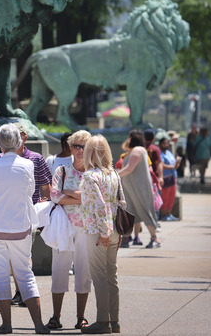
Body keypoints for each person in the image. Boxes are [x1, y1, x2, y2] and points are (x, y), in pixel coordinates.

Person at [0, 124, 49, 334]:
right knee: (25, 274)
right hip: (20, 226)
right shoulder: (28, 164)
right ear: (19, 141)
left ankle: (7, 325)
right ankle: (38, 324)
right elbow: (30, 191)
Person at [46, 130, 92, 331]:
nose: (80, 150)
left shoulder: (93, 173)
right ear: (70, 147)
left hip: (87, 228)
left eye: (84, 146)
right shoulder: (61, 170)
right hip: (63, 226)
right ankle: (56, 316)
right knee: (59, 270)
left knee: (83, 272)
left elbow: (94, 198)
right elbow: (54, 196)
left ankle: (81, 316)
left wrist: (68, 193)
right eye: (76, 146)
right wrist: (80, 196)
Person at [79, 135, 124, 335]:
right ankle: (114, 321)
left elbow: (99, 205)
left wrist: (104, 232)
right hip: (114, 229)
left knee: (100, 278)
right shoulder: (114, 173)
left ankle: (102, 321)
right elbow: (122, 203)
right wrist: (117, 231)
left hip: (98, 232)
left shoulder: (90, 176)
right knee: (111, 277)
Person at [117, 130, 160, 249]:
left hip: (138, 189)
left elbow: (129, 169)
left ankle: (154, 238)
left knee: (144, 212)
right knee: (130, 212)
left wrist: (114, 175)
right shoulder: (136, 150)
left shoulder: (137, 150)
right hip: (132, 189)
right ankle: (126, 238)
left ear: (132, 138)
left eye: (129, 137)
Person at [158, 137, 180, 221]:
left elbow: (173, 163)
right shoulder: (160, 154)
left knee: (171, 197)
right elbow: (162, 165)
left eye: (167, 143)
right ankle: (164, 215)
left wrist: (177, 161)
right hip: (165, 178)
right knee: (165, 197)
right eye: (164, 143)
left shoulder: (169, 153)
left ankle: (169, 213)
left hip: (172, 177)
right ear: (160, 144)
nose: (166, 145)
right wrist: (172, 166)